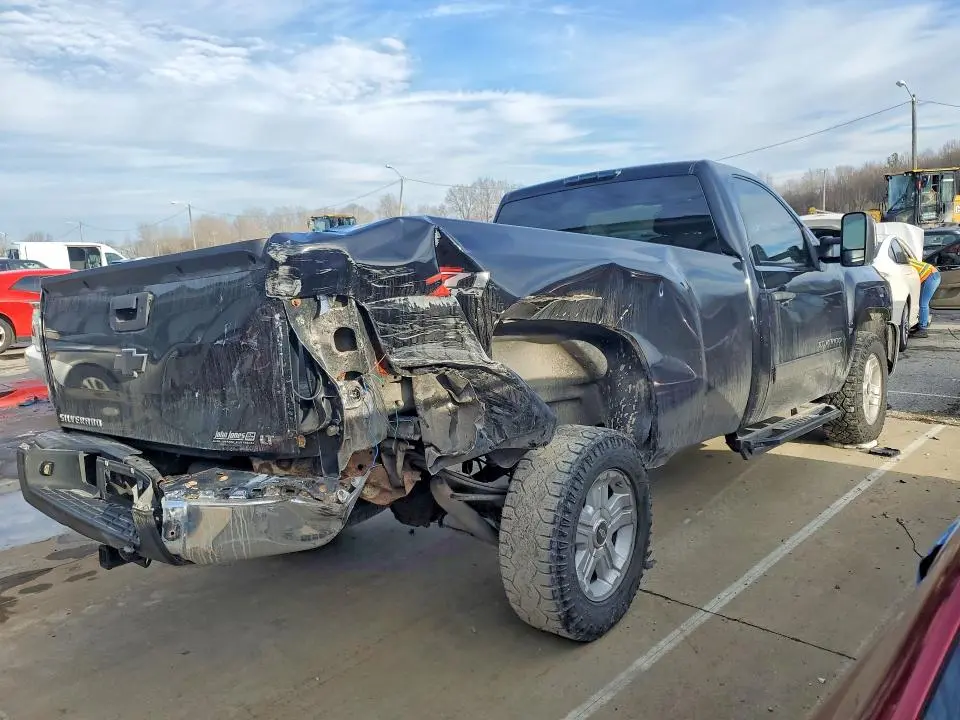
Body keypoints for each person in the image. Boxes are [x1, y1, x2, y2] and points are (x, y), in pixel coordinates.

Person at [908, 255, 941, 338]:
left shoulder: (904, 265)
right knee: (922, 302)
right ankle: (920, 324)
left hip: (931, 275)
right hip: (932, 274)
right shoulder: (905, 261)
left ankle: (923, 329)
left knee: (923, 303)